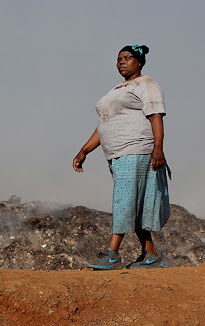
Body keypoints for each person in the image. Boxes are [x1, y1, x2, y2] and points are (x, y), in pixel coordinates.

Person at [72, 44, 170, 269]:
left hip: (136, 150)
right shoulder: (118, 89)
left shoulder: (147, 84)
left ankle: (112, 253)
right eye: (118, 59)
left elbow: (156, 116)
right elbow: (105, 123)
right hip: (117, 154)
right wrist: (84, 150)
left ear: (140, 62)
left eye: (127, 58)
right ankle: (151, 256)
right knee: (134, 203)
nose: (121, 62)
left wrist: (158, 148)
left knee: (125, 200)